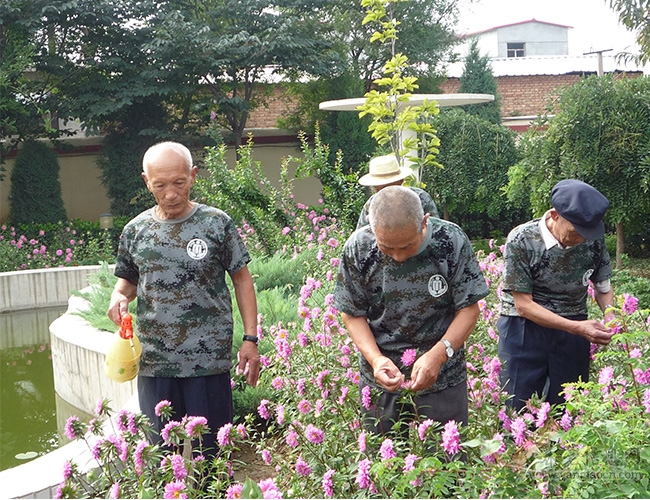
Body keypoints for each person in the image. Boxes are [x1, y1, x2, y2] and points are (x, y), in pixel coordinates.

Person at [107, 141, 260, 455]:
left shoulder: (217, 224)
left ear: (193, 175)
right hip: (155, 363)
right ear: (146, 181)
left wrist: (250, 339)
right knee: (163, 454)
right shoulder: (136, 230)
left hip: (207, 361)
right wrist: (118, 297)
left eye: (179, 183)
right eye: (160, 185)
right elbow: (128, 282)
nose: (171, 193)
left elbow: (242, 280)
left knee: (213, 454)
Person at [333, 186, 489, 434]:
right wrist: (376, 360)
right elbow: (352, 313)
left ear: (424, 222)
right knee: (384, 467)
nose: (397, 256)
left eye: (407, 246)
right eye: (386, 247)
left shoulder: (451, 241)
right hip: (382, 382)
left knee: (447, 462)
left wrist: (439, 355)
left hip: (443, 380)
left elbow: (469, 309)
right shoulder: (358, 248)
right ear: (373, 230)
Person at [497, 179, 615, 411]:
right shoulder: (522, 239)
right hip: (523, 327)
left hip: (574, 326)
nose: (581, 239)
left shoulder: (592, 240)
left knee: (571, 406)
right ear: (555, 215)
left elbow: (603, 287)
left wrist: (611, 317)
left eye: (587, 233)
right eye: (576, 232)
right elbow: (523, 305)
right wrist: (577, 327)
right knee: (517, 405)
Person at [356, 154, 439, 229]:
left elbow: (435, 230)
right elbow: (361, 238)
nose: (386, 193)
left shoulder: (421, 198)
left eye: (389, 187)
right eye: (379, 188)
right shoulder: (371, 205)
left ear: (401, 181)